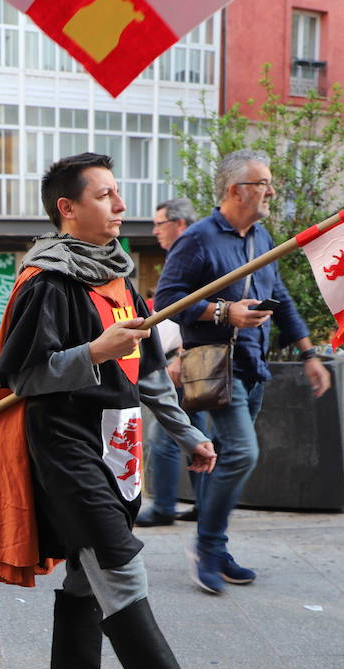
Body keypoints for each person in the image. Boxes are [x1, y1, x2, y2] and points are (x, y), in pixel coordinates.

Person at [0, 151, 275, 669]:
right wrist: (93, 350)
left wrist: (187, 432)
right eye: (105, 196)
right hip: (65, 447)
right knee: (119, 568)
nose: (121, 206)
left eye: (118, 194)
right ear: (68, 209)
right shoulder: (49, 281)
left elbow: (144, 374)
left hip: (117, 445)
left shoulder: (116, 275)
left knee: (87, 576)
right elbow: (22, 375)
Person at [154, 149, 331, 594]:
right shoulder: (196, 239)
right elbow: (165, 301)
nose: (271, 191)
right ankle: (207, 547)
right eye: (263, 184)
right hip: (215, 366)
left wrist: (310, 354)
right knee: (242, 453)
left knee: (225, 459)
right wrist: (222, 311)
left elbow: (282, 299)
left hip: (253, 365)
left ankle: (214, 545)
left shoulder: (261, 236)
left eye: (270, 184)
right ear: (236, 191)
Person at [137, 197, 201, 527]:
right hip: (190, 361)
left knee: (165, 437)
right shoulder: (191, 254)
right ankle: (202, 505)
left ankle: (163, 506)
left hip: (186, 362)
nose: (155, 231)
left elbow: (187, 313)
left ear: (178, 224)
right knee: (198, 435)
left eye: (159, 224)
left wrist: (181, 355)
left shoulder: (189, 256)